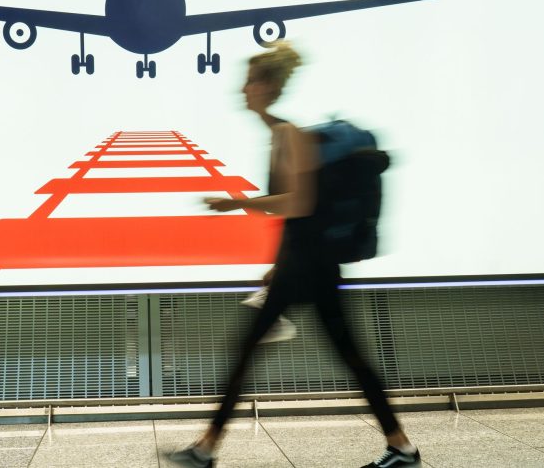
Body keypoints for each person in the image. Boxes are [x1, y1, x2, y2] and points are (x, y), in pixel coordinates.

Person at [168, 41, 420, 468]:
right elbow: (302, 215)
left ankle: (206, 449)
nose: (243, 89)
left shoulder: (289, 134)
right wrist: (275, 265)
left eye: (250, 81)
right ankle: (401, 445)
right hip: (304, 264)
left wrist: (238, 204)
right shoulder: (279, 134)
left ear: (267, 86)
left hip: (311, 265)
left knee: (254, 348)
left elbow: (298, 204)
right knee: (343, 354)